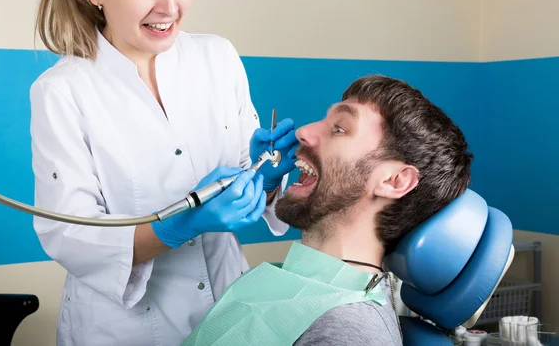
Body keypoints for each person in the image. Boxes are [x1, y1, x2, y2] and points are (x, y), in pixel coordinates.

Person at [29, 0, 299, 345]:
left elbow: (243, 182)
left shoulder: (217, 58)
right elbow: (70, 234)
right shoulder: (62, 91)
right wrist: (176, 227)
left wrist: (264, 181)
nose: (169, 5)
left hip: (228, 312)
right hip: (123, 330)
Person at [183, 75, 473, 346]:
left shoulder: (346, 329)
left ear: (394, 181)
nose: (303, 132)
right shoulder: (285, 280)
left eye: (340, 129)